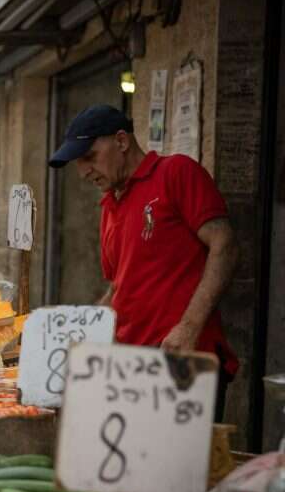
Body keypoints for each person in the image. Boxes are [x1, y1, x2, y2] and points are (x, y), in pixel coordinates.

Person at [48, 105, 239, 419]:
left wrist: (188, 327)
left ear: (121, 141)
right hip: (132, 370)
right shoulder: (109, 206)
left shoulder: (175, 173)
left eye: (89, 157)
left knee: (178, 453)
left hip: (183, 361)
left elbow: (225, 245)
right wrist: (80, 328)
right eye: (78, 163)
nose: (83, 172)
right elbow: (119, 286)